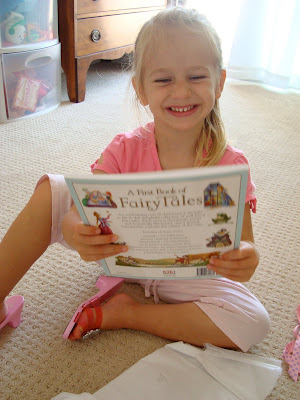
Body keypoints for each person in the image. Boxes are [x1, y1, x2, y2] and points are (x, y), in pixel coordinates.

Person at [0, 7, 270, 351]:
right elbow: (81, 207)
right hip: (117, 250)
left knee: (253, 321)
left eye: (197, 77)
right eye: (163, 79)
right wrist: (74, 229)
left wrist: (245, 258)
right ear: (140, 90)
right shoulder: (124, 148)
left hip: (184, 277)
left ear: (219, 83)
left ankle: (128, 313)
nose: (182, 91)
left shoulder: (232, 165)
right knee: (50, 192)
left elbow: (244, 242)